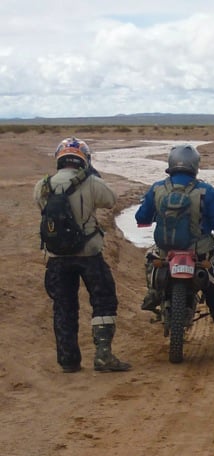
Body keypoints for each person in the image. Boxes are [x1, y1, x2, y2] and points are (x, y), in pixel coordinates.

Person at [34, 137, 131, 373]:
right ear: (83, 159)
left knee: (63, 307)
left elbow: (41, 208)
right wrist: (94, 176)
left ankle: (68, 361)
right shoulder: (90, 182)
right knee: (103, 302)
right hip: (88, 254)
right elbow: (111, 200)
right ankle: (103, 355)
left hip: (56, 258)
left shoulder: (43, 185)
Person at [135, 144, 214, 355]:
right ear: (195, 165)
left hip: (166, 253)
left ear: (171, 163)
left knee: (150, 262)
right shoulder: (206, 191)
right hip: (199, 253)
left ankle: (153, 293)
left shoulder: (157, 188)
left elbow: (140, 217)